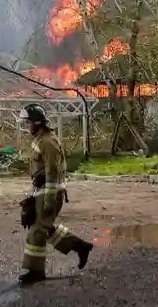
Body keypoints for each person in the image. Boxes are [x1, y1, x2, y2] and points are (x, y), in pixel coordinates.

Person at [19, 104, 92, 284]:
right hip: (42, 192)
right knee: (43, 227)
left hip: (50, 193)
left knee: (37, 231)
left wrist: (48, 202)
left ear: (37, 122)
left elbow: (52, 172)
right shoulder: (40, 139)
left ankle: (36, 272)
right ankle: (80, 246)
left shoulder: (48, 142)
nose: (27, 126)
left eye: (28, 122)